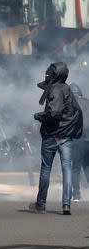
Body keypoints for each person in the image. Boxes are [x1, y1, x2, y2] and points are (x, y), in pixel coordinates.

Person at [30, 62, 82, 215]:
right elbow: (75, 113)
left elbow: (54, 113)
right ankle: (67, 204)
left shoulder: (55, 89)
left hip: (52, 136)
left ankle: (41, 204)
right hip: (66, 136)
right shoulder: (67, 89)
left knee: (46, 169)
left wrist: (39, 116)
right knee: (67, 168)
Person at [69, 83, 89, 202]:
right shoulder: (87, 102)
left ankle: (76, 195)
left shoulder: (70, 105)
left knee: (75, 168)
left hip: (78, 139)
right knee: (87, 166)